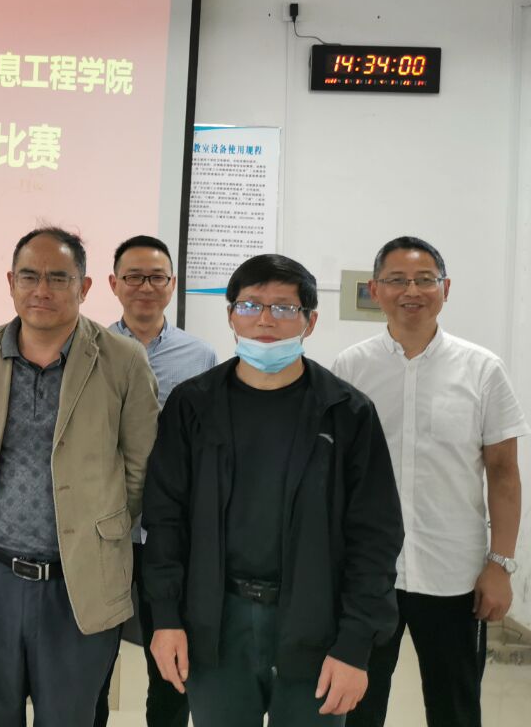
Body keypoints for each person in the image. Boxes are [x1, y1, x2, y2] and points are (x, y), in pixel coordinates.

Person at [142, 253, 404, 727]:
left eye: (284, 308)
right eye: (249, 305)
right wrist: (166, 617)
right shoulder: (193, 405)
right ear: (230, 315)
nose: (265, 320)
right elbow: (164, 520)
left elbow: (376, 537)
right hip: (215, 624)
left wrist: (354, 644)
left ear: (310, 321)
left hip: (316, 624)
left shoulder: (346, 412)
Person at [0, 226, 160, 727]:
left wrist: (96, 527)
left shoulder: (123, 360)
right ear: (10, 283)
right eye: (29, 276)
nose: (41, 289)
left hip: (79, 581)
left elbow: (140, 466)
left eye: (58, 278)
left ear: (84, 287)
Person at [337, 236, 530, 727]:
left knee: (455, 709)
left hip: (453, 574)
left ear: (445, 288)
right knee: (356, 707)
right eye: (397, 280)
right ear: (375, 290)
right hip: (367, 573)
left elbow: (504, 473)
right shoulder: (350, 368)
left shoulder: (482, 369)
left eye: (425, 280)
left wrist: (500, 565)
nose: (412, 291)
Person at [97, 234, 217, 727]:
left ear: (172, 284)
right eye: (133, 277)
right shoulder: (89, 348)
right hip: (104, 531)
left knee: (170, 664)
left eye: (156, 277)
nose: (145, 287)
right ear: (113, 284)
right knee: (93, 660)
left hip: (170, 536)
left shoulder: (200, 356)